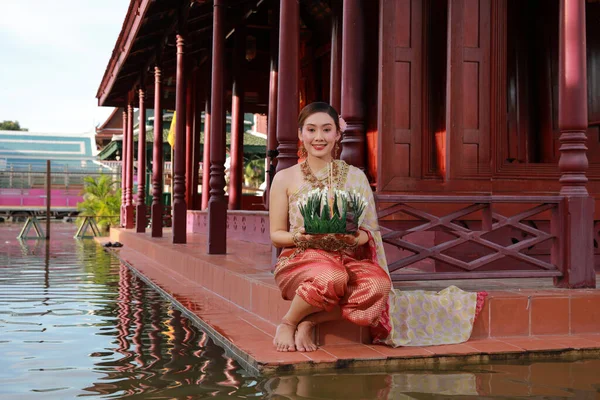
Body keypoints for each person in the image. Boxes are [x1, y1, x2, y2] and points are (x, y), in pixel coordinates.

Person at [269, 102, 485, 352]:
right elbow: (276, 236)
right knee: (332, 275)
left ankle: (309, 321)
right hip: (299, 259)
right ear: (300, 134)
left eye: (327, 130)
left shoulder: (355, 177)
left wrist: (353, 239)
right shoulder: (285, 177)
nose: (319, 137)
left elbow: (367, 232)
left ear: (338, 134)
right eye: (311, 130)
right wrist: (302, 237)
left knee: (378, 285)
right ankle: (288, 322)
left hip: (345, 258)